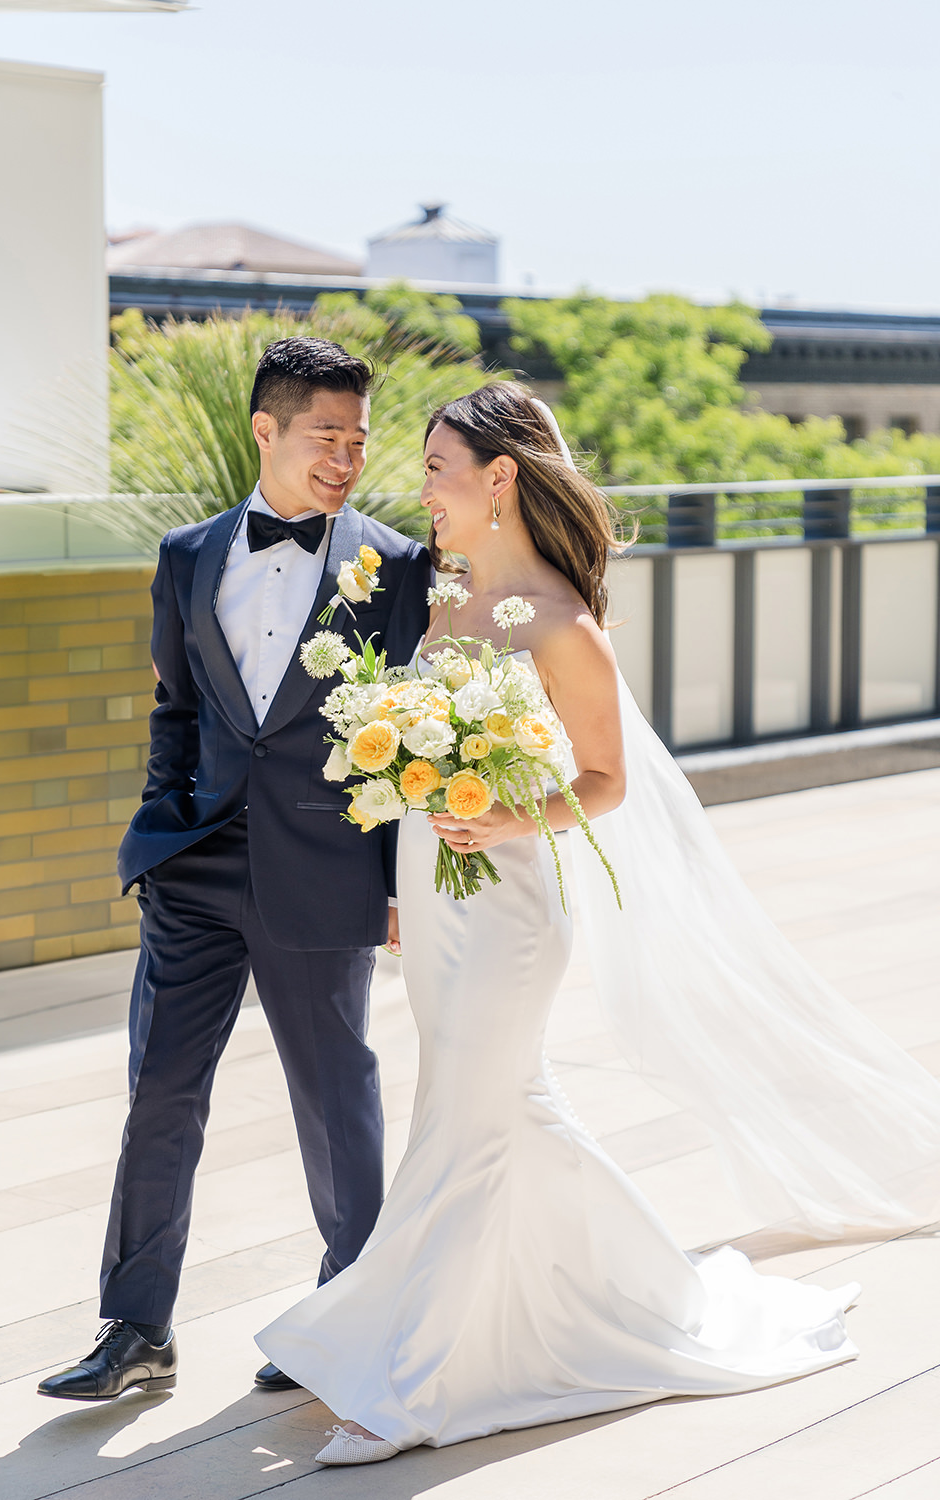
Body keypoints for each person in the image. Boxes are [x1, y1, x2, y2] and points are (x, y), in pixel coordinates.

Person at [255, 381, 940, 1466]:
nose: (420, 488)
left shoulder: (565, 626)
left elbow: (606, 781)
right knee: (499, 1106)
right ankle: (642, 1296)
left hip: (513, 901)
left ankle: (407, 1385)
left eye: (437, 468)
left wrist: (500, 811)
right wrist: (409, 850)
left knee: (469, 1121)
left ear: (499, 478)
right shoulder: (443, 603)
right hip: (437, 891)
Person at [38, 337, 431, 1402]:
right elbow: (177, 708)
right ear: (266, 429)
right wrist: (160, 827)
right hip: (194, 866)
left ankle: (346, 1315)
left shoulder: (396, 567)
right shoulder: (184, 553)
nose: (347, 455)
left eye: (359, 437)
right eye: (325, 435)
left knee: (332, 1092)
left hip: (323, 870)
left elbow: (408, 729)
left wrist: (395, 882)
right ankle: (135, 1328)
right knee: (159, 1090)